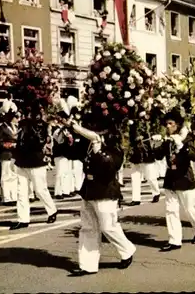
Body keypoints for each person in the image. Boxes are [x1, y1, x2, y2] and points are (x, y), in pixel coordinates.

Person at [68, 114, 136, 276]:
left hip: (105, 191)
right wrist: (65, 139)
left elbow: (109, 167)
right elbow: (71, 154)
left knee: (108, 227)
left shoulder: (114, 149)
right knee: (88, 228)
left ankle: (127, 249)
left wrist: (99, 152)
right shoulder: (89, 145)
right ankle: (87, 265)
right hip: (89, 190)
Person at [154, 109, 195, 251]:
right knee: (171, 210)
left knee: (190, 210)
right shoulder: (168, 140)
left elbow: (194, 156)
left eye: (171, 124)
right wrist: (155, 143)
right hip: (171, 180)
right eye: (166, 124)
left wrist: (181, 146)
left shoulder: (187, 138)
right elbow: (157, 156)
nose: (168, 126)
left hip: (185, 179)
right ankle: (175, 240)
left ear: (177, 125)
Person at [10, 106, 57, 230]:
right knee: (21, 192)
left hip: (36, 161)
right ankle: (23, 219)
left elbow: (40, 142)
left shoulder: (42, 125)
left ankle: (52, 210)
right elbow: (19, 142)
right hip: (22, 161)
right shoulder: (23, 124)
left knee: (40, 189)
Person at [128, 121, 161, 206]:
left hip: (146, 154)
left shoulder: (148, 124)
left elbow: (155, 132)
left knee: (151, 177)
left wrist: (155, 136)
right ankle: (136, 199)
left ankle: (156, 193)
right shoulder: (131, 125)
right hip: (135, 154)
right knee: (134, 177)